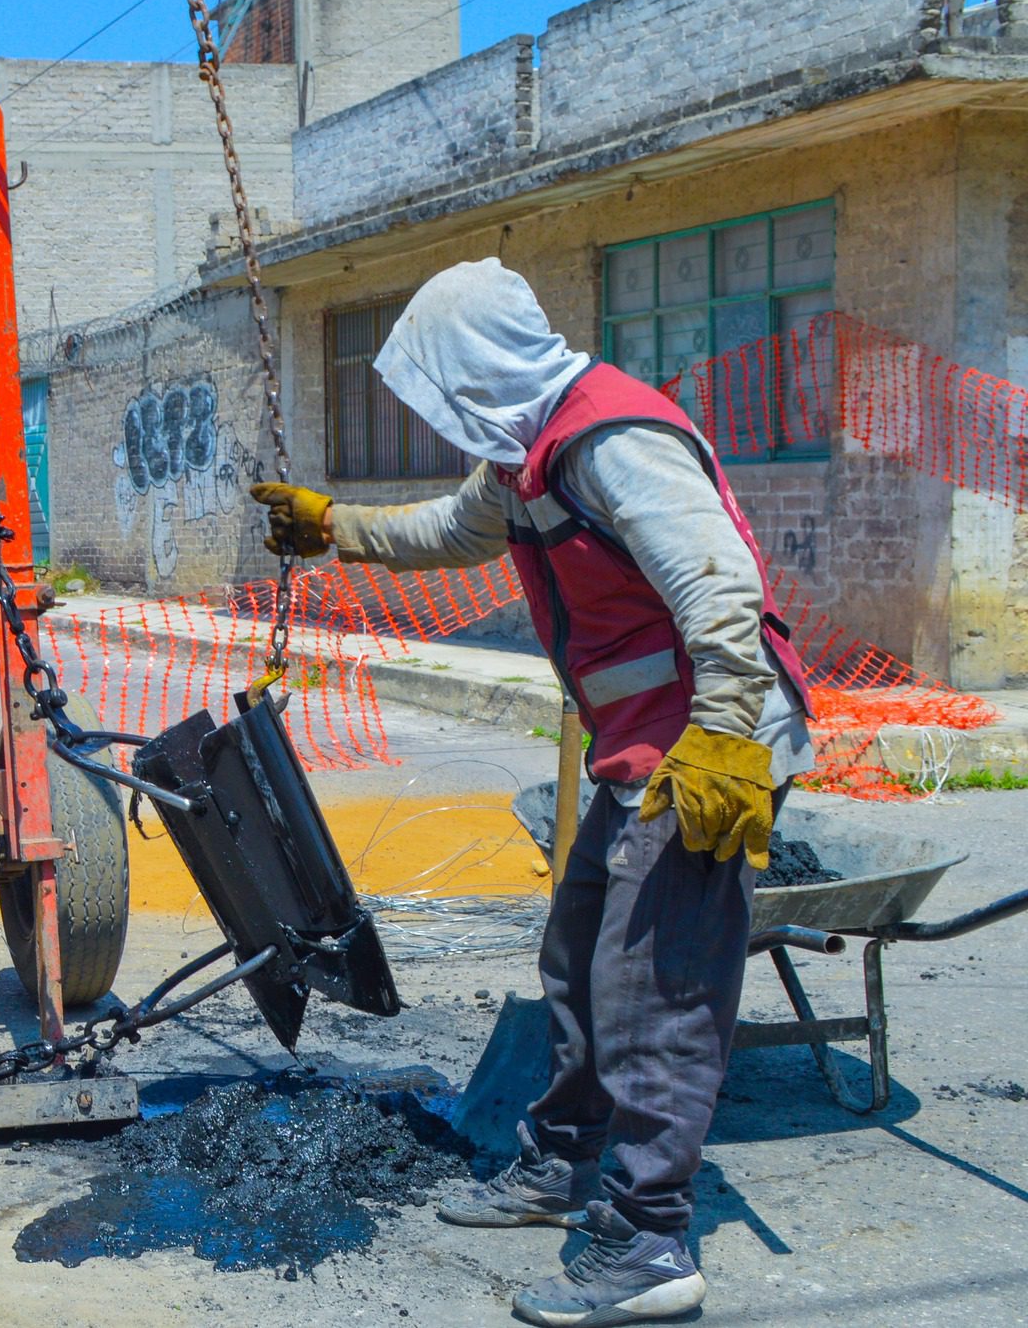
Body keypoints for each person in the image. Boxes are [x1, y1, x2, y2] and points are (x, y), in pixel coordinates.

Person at [251, 258, 810, 1328]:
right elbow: (448, 534)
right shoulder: (527, 457)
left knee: (654, 987)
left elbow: (715, 583)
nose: (443, 413)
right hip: (641, 743)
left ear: (477, 370)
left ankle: (647, 1242)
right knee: (578, 953)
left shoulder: (609, 438)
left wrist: (727, 738)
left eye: (440, 386)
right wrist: (335, 527)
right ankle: (558, 1165)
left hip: (702, 743)